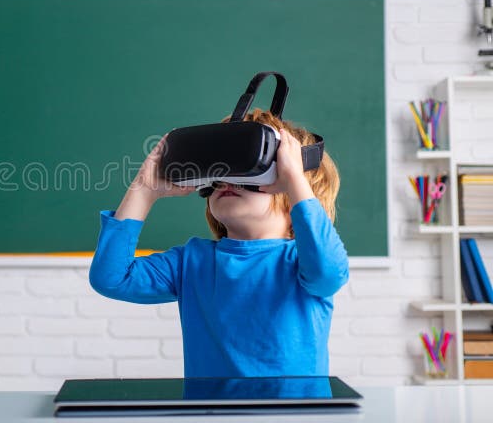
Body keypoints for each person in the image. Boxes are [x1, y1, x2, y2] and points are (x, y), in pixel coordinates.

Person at [89, 109, 349, 378]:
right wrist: (144, 190)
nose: (227, 179)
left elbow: (329, 272)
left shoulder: (303, 263)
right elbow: (111, 278)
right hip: (211, 416)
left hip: (295, 417)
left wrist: (295, 178)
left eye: (247, 169)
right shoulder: (192, 262)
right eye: (220, 170)